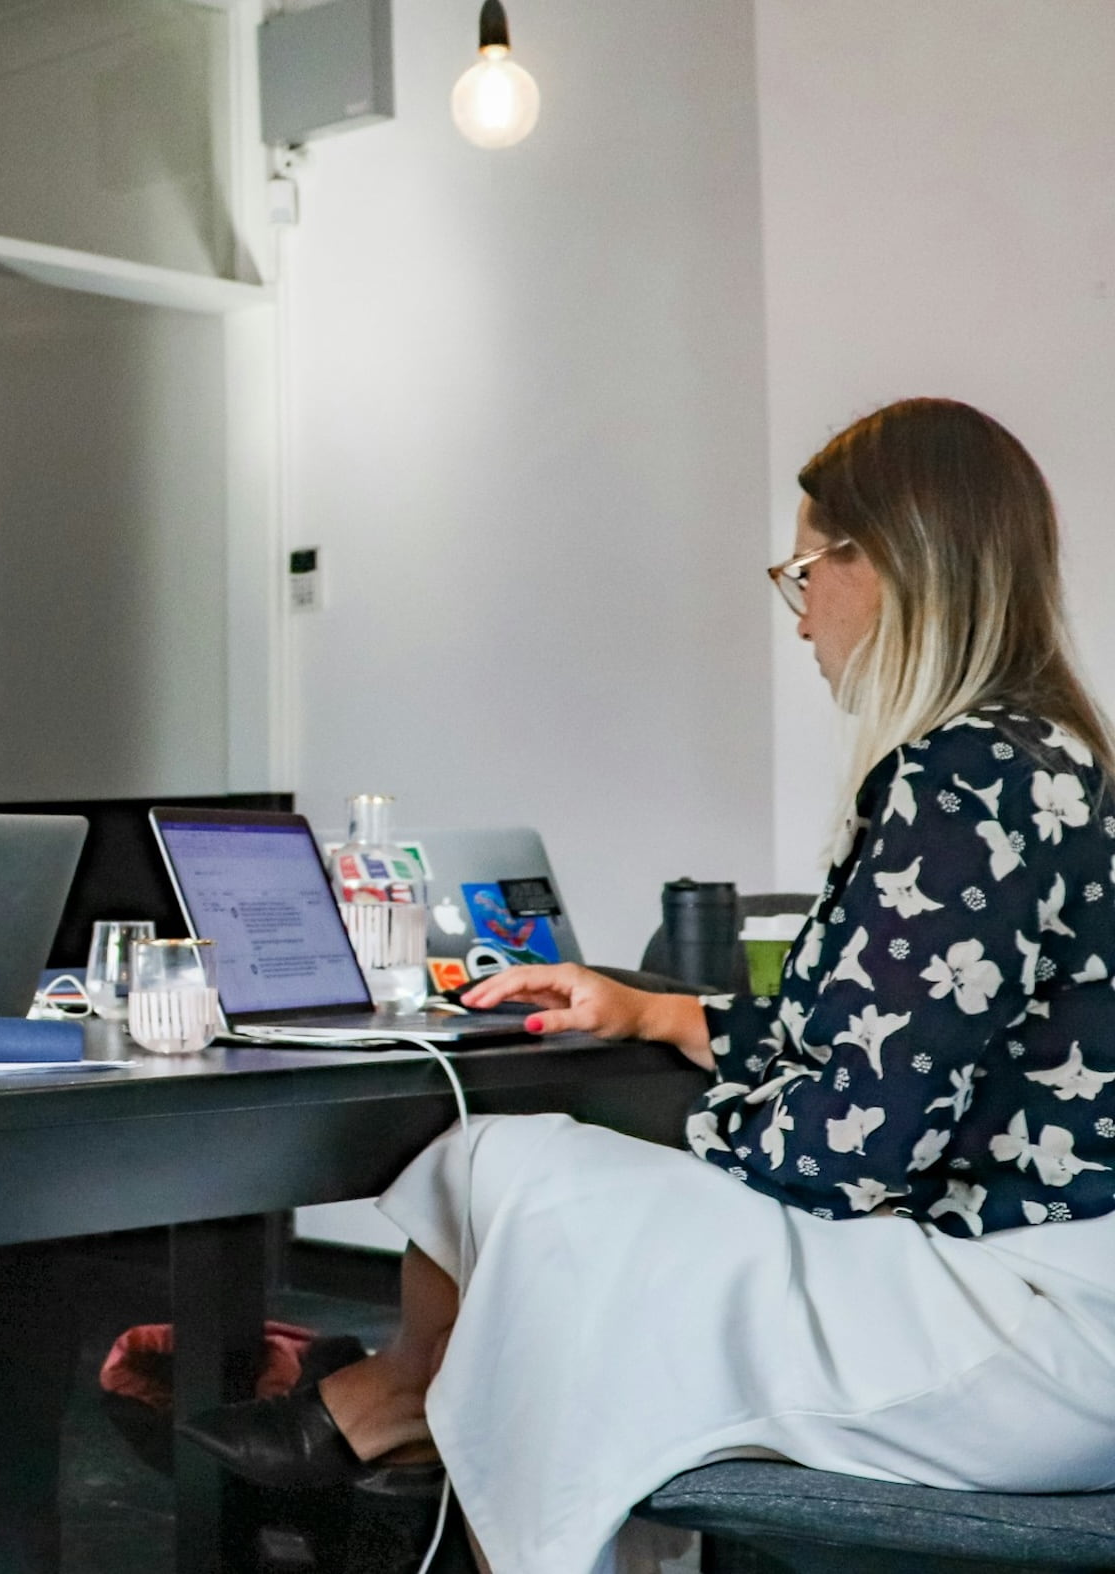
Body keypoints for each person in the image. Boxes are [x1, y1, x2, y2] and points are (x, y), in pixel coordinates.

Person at [180, 398, 1115, 1574]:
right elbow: (900, 1025)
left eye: (801, 572)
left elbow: (844, 1150)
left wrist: (683, 1131)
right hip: (1051, 1289)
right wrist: (656, 1011)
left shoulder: (955, 773)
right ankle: (405, 1405)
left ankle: (403, 1405)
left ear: (881, 563)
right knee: (510, 1176)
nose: (800, 619)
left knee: (522, 1172)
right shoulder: (1044, 754)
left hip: (1019, 1332)